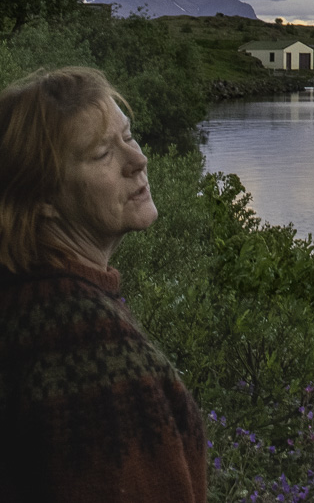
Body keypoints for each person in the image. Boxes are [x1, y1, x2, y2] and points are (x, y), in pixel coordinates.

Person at [0, 67, 207, 502]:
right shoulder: (86, 348)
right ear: (42, 198)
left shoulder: (25, 296)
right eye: (101, 154)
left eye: (128, 137)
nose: (138, 160)